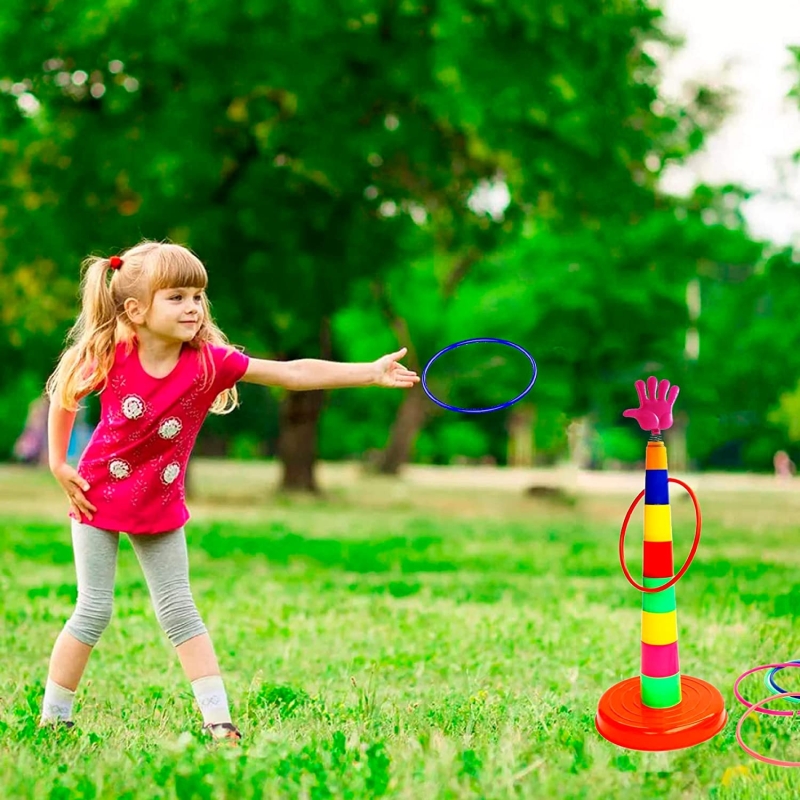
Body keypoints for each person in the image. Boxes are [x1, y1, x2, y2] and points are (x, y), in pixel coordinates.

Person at [42, 240, 419, 742]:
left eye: (198, 296)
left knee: (180, 611)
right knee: (93, 610)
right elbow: (65, 392)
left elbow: (292, 372)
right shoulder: (112, 353)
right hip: (97, 494)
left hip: (159, 502)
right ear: (135, 310)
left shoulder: (209, 364)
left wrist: (369, 372)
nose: (193, 307)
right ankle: (54, 717)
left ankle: (218, 721)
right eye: (176, 297)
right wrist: (58, 462)